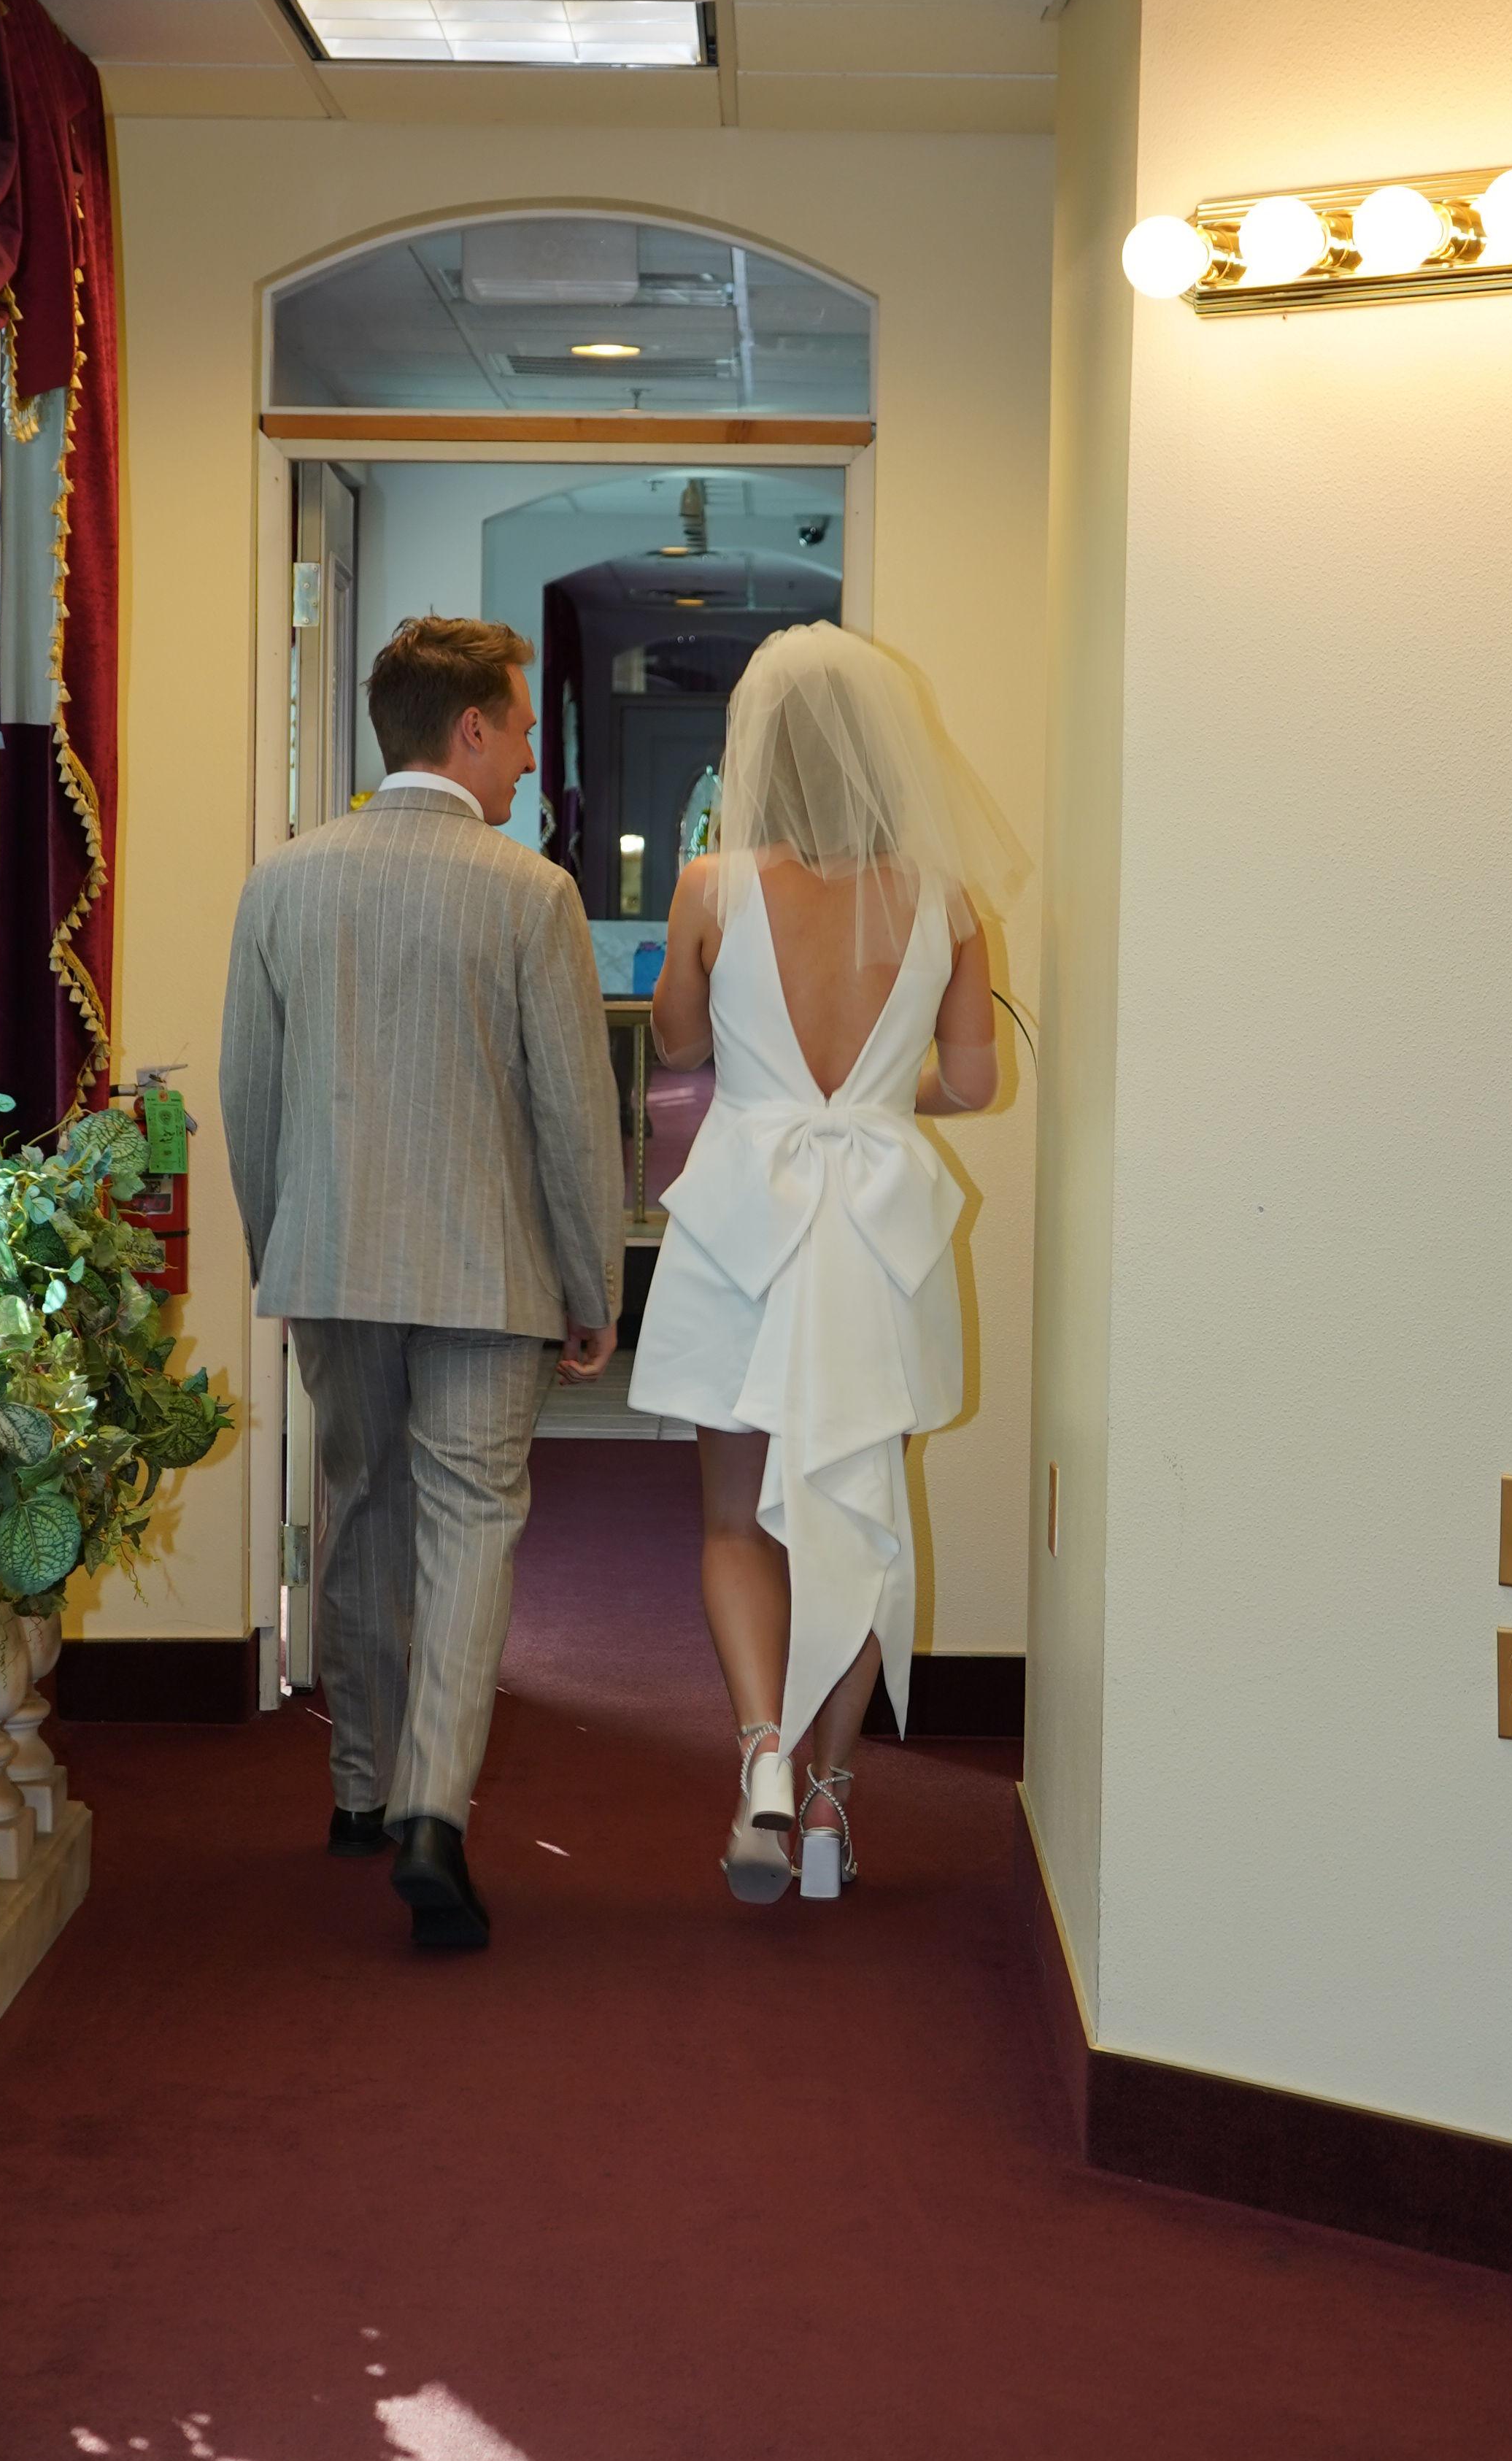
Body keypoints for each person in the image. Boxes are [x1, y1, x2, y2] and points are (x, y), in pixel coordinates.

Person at [218, 613, 622, 1954]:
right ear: (470, 729)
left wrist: (282, 1248)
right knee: (470, 1525)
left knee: (360, 1501)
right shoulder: (532, 894)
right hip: (488, 1272)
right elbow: (573, 1117)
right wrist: (593, 1283)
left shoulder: (283, 882)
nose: (529, 762)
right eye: (521, 733)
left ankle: (359, 1785)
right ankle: (433, 1814)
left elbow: (250, 1097)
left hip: (331, 1258)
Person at [629, 623, 1014, 1903]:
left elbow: (677, 1047)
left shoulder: (712, 887)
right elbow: (975, 1082)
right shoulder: (947, 900)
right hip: (877, 1232)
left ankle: (760, 1758)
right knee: (863, 1510)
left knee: (734, 1518)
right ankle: (835, 1806)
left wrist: (777, 1081)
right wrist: (875, 1103)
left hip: (749, 1219)